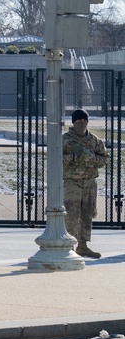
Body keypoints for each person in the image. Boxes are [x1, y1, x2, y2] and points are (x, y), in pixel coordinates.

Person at [63, 108, 108, 259]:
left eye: (84, 120)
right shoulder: (65, 140)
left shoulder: (94, 140)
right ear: (73, 122)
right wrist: (75, 157)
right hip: (72, 182)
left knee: (87, 213)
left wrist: (93, 160)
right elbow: (56, 158)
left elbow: (104, 157)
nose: (81, 122)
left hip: (89, 182)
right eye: (78, 120)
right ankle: (69, 246)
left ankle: (83, 246)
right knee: (71, 213)